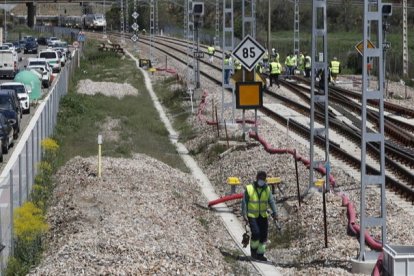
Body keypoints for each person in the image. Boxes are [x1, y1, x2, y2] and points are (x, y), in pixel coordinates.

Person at [241, 171, 278, 262]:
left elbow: (271, 201)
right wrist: (244, 214)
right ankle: (253, 252)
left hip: (263, 215)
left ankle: (260, 254)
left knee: (263, 235)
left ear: (265, 180)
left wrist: (275, 212)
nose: (261, 181)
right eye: (260, 178)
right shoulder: (249, 188)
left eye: (263, 179)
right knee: (256, 233)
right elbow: (244, 202)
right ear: (256, 178)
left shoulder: (267, 189)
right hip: (252, 215)